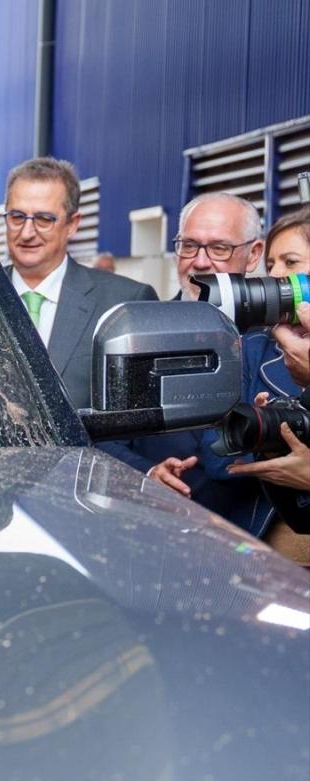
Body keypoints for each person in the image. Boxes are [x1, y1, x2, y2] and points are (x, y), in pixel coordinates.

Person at [143, 204, 308, 549]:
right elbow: (221, 454)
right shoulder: (258, 346)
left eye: (291, 264)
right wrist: (264, 441)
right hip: (249, 549)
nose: (277, 276)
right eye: (273, 265)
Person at [1, 157, 157, 409]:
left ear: (72, 224)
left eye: (44, 219)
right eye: (17, 217)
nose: (27, 233)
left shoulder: (124, 305)